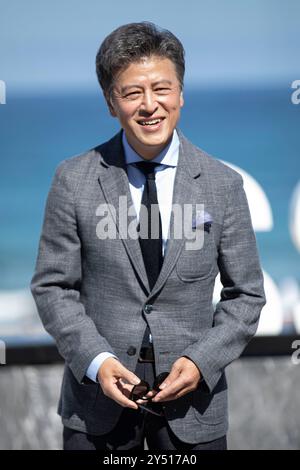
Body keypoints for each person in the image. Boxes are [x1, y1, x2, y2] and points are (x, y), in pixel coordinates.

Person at [30, 22, 266, 451]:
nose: (150, 105)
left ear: (181, 93)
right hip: (96, 412)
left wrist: (201, 361)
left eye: (162, 88)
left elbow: (246, 295)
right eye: (132, 92)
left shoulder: (223, 185)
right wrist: (97, 362)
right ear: (110, 102)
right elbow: (53, 288)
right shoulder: (73, 179)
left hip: (195, 412)